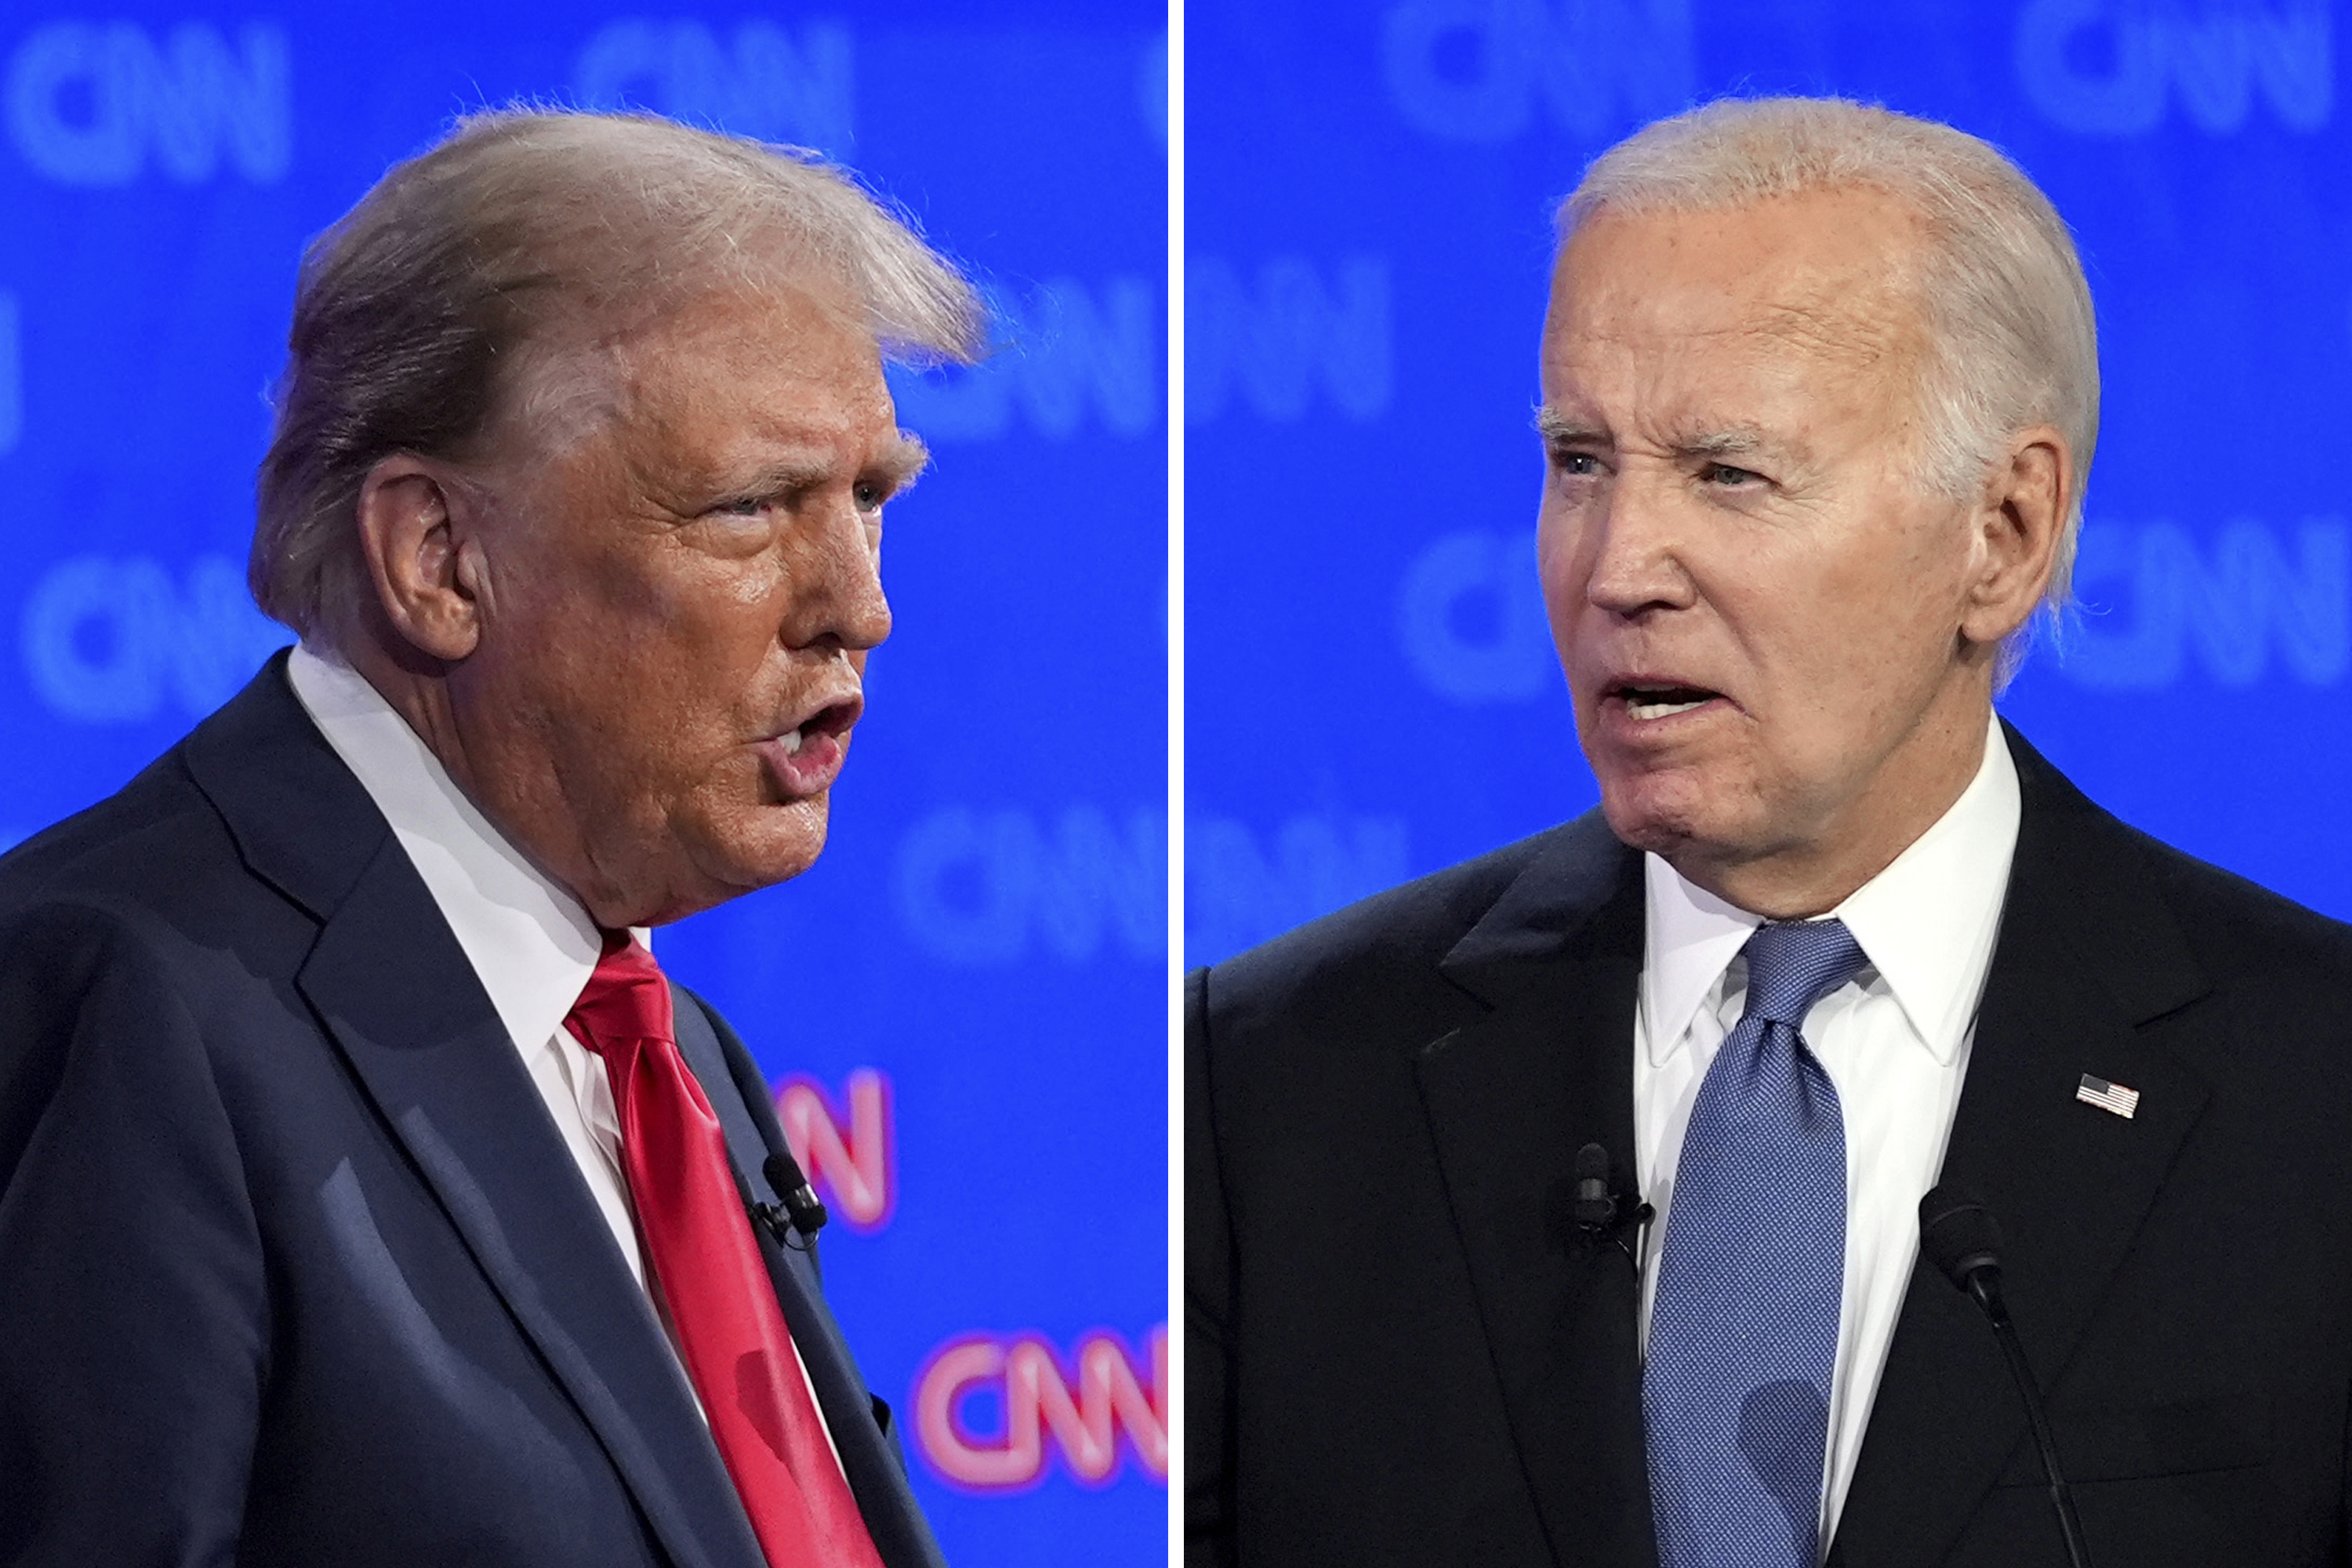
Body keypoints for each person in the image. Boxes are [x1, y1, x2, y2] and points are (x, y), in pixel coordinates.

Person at [1188, 96, 2352, 1568]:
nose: (1618, 569)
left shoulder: (2315, 1095)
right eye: (1579, 461)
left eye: (1728, 475)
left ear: (2003, 534)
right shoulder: (1263, 1086)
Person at [0, 108, 982, 1568]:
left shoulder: (661, 1045)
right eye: (751, 507)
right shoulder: (122, 997)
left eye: (871, 499)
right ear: (440, 563)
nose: (858, 604)